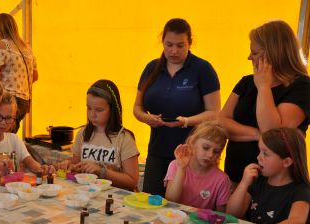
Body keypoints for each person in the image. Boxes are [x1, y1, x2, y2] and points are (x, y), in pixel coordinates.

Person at [133, 18, 220, 196]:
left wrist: (187, 122)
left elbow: (214, 113)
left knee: (182, 204)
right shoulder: (152, 68)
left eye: (180, 45)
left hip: (192, 155)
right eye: (169, 44)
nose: (173, 51)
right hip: (157, 150)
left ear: (190, 43)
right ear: (162, 42)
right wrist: (145, 118)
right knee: (151, 200)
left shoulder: (202, 69)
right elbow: (137, 107)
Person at [219, 20, 310, 187]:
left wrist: (263, 86)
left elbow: (272, 131)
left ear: (273, 54)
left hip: (274, 186)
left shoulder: (302, 86)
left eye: (254, 52)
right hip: (235, 177)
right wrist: (255, 134)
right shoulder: (246, 82)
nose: (249, 57)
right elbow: (221, 122)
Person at [226, 128, 310, 224]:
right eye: (259, 151)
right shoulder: (258, 181)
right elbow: (232, 213)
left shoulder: (301, 189)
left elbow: (297, 220)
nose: (258, 157)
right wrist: (244, 183)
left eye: (265, 153)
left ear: (286, 162)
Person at [58, 80, 139, 191]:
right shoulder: (83, 134)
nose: (92, 114)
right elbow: (76, 167)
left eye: (99, 110)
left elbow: (132, 182)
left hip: (115, 199)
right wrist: (69, 166)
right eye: (89, 108)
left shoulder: (124, 138)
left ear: (112, 110)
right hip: (88, 194)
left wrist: (101, 171)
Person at [0, 92, 55, 180]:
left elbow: (32, 164)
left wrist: (43, 169)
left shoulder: (14, 139)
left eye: (8, 118)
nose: (3, 122)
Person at [164, 121, 230, 211]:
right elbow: (171, 200)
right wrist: (181, 169)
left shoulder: (222, 179)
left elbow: (221, 216)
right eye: (206, 147)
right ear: (192, 143)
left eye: (216, 151)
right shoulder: (175, 165)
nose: (210, 155)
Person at [0, 13, 38, 133]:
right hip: (24, 101)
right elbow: (35, 76)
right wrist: (19, 84)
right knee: (9, 136)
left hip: (7, 99)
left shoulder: (2, 45)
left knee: (1, 137)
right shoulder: (27, 48)